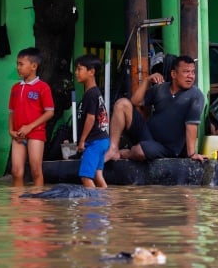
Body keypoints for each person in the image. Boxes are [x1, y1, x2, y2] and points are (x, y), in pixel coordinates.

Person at [104, 55, 206, 162]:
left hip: (167, 148)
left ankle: (126, 153)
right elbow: (135, 101)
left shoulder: (195, 95)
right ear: (174, 74)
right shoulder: (160, 89)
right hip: (147, 135)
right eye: (186, 72)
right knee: (122, 103)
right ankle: (113, 148)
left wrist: (192, 153)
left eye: (193, 72)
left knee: (139, 151)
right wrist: (147, 80)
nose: (191, 76)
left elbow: (191, 125)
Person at [8, 47, 55, 186]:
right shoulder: (15, 88)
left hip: (36, 134)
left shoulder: (43, 87)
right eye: (17, 64)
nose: (18, 67)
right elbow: (11, 112)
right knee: (16, 172)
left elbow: (50, 112)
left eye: (21, 64)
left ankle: (37, 204)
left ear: (34, 66)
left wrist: (30, 127)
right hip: (18, 135)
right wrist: (11, 130)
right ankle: (17, 204)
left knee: (36, 171)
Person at [74, 54, 110, 188]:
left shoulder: (91, 94)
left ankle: (92, 206)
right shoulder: (95, 93)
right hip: (102, 140)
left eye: (79, 69)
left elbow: (90, 118)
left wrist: (82, 140)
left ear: (91, 72)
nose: (76, 73)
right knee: (97, 175)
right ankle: (105, 204)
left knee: (85, 177)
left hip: (94, 141)